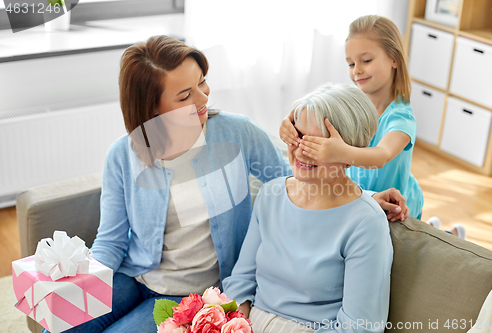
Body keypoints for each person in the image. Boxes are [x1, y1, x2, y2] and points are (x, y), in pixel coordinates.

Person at [43, 36, 408, 333]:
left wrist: (363, 199)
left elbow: (295, 176)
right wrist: (77, 284)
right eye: (185, 96)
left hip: (195, 293)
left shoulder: (236, 133)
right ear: (152, 109)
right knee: (58, 323)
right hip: (134, 275)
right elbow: (110, 241)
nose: (203, 99)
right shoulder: (123, 155)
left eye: (201, 82)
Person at [223, 83, 393, 333]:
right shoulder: (271, 194)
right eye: (298, 136)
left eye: (317, 144)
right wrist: (236, 325)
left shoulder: (366, 223)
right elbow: (241, 280)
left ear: (350, 151)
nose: (301, 150)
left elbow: (359, 328)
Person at [280, 15, 424, 221]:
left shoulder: (401, 118)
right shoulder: (352, 102)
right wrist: (288, 122)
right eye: (350, 63)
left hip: (394, 204)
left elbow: (381, 156)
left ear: (394, 58)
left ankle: (448, 231)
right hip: (360, 195)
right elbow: (313, 107)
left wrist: (341, 152)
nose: (356, 70)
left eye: (366, 61)